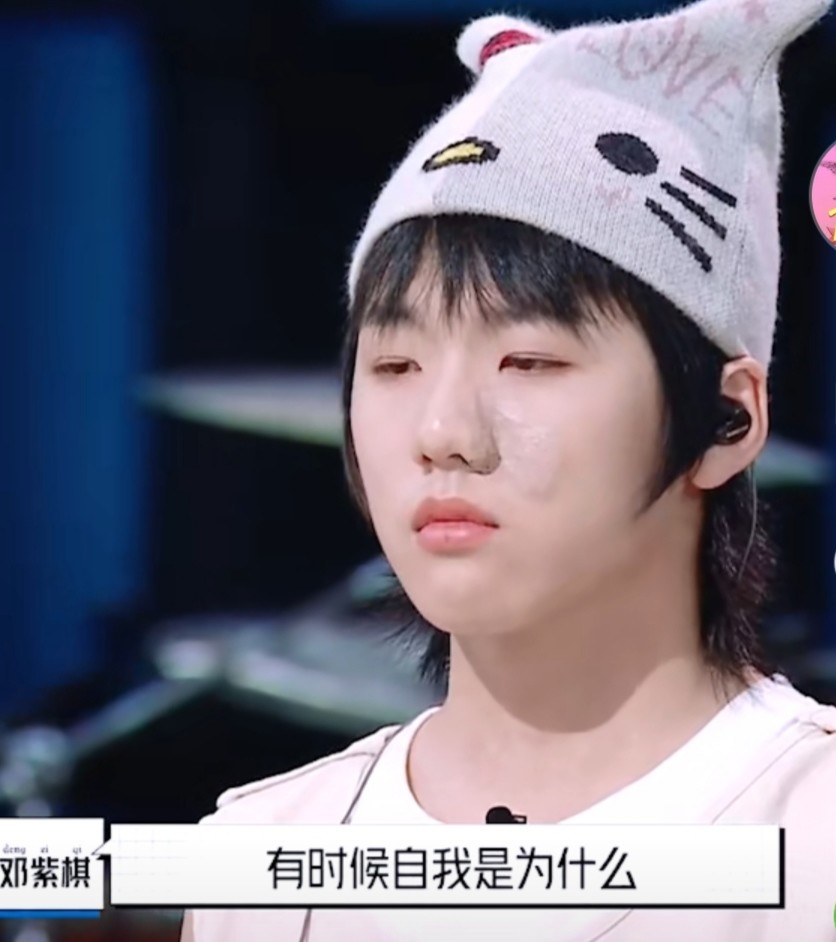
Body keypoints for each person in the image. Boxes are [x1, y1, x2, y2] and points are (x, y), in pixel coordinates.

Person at [181, 0, 836, 938]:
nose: (443, 431)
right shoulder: (264, 855)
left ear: (726, 421)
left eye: (529, 361)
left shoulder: (811, 832)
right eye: (395, 366)